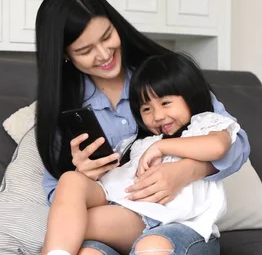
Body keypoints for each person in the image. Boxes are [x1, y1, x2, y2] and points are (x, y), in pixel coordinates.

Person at [35, 0, 250, 255]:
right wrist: (84, 176)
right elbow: (58, 197)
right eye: (85, 51)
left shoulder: (162, 75)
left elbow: (236, 143)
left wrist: (188, 170)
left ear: (116, 24)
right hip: (118, 218)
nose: (103, 55)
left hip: (170, 223)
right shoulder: (64, 106)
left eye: (107, 36)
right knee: (77, 217)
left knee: (89, 233)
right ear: (65, 55)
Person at [41, 53, 241, 255]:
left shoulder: (204, 126)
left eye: (165, 103)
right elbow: (111, 185)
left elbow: (217, 147)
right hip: (129, 214)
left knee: (81, 226)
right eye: (146, 109)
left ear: (191, 96)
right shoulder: (139, 143)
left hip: (174, 223)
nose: (157, 116)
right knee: (70, 181)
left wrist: (163, 147)